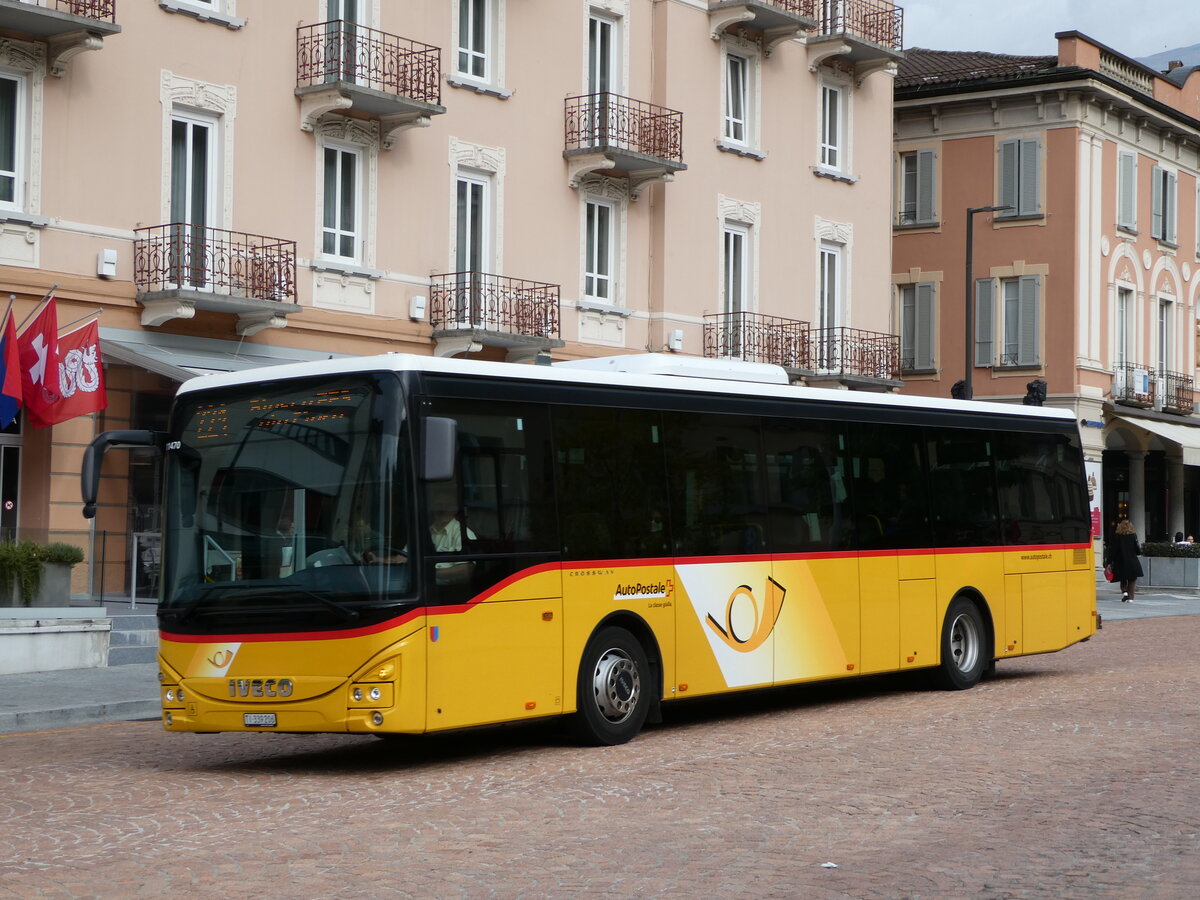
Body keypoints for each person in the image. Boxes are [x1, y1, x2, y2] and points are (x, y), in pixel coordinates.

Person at [1107, 519, 1143, 602]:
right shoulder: (1133, 536)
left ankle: (1124, 591)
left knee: (1122, 577)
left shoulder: (1117, 536)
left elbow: (1113, 550)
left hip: (1121, 561)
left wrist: (1109, 561)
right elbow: (1137, 549)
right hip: (1132, 561)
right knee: (1132, 579)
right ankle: (1131, 598)